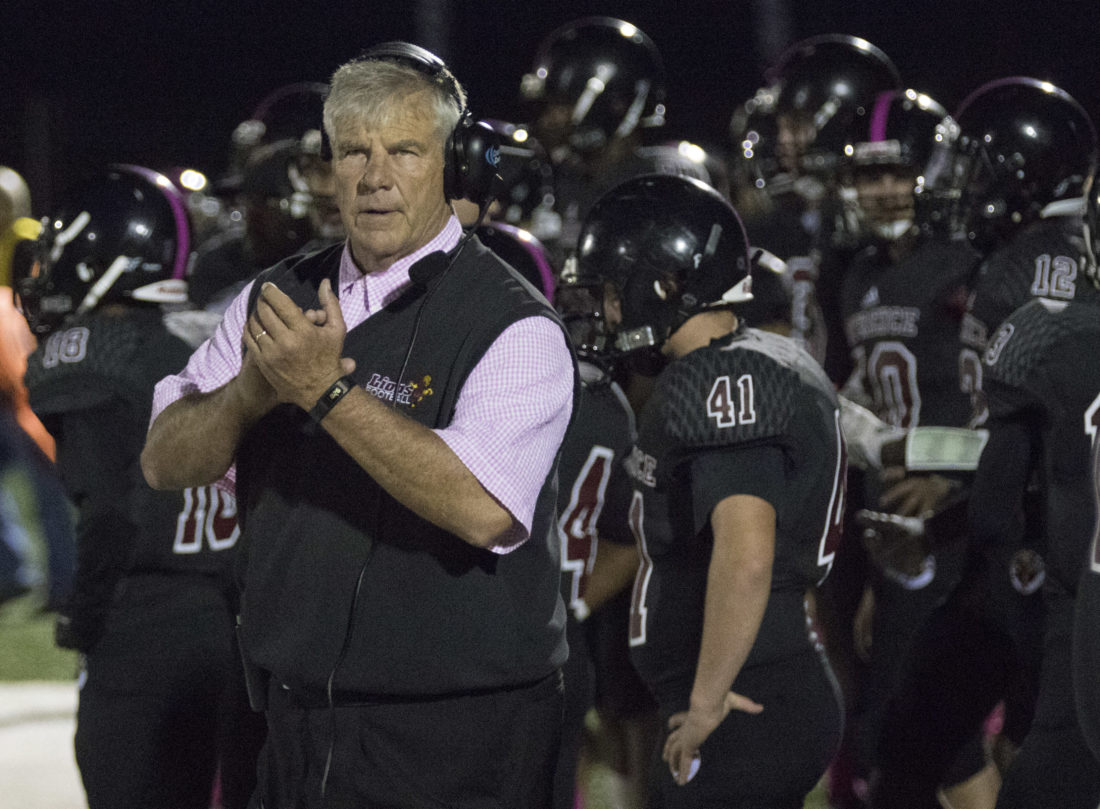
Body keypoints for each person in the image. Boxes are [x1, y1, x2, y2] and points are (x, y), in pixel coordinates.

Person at [141, 42, 576, 809]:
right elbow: (163, 460)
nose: (376, 177)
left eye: (404, 151)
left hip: (457, 732)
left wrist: (324, 392)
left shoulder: (515, 323)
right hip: (292, 719)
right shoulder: (274, 297)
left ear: (450, 166)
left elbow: (481, 505)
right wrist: (248, 393)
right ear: (329, 168)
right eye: (354, 152)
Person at [573, 173, 845, 808]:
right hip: (757, 688)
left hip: (744, 697)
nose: (609, 312)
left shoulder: (720, 376)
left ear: (667, 285)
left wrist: (705, 701)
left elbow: (746, 555)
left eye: (614, 291)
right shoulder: (749, 360)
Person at [18, 164, 264, 809]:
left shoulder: (99, 353)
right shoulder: (216, 334)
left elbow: (111, 513)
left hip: (144, 622)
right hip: (237, 617)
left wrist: (83, 617)